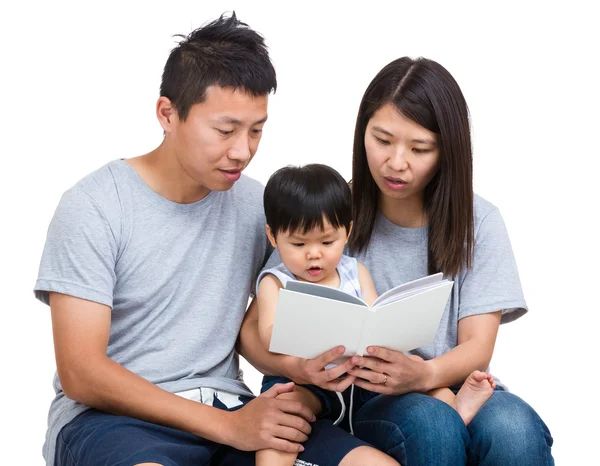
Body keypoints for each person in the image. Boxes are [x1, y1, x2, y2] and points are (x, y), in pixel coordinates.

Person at [34, 13, 376, 466]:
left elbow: (255, 326)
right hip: (113, 421)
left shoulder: (258, 206)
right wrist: (230, 428)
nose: (243, 150)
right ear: (167, 114)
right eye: (225, 130)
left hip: (230, 406)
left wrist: (296, 367)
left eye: (256, 130)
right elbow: (81, 372)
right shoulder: (94, 205)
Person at [240, 57, 555, 465]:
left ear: (447, 151)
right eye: (382, 140)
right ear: (362, 133)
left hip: (447, 384)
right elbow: (252, 334)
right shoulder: (328, 218)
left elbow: (478, 346)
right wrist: (302, 370)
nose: (396, 162)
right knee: (430, 423)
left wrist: (424, 375)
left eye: (419, 148)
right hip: (358, 396)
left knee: (515, 428)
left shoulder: (478, 222)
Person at [254, 164, 498, 466]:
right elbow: (267, 333)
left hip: (361, 379)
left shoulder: (355, 271)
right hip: (304, 379)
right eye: (299, 244)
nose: (313, 254)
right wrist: (301, 355)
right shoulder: (275, 282)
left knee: (426, 377)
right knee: (282, 415)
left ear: (348, 232)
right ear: (274, 237)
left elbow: (374, 314)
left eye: (327, 242)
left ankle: (458, 411)